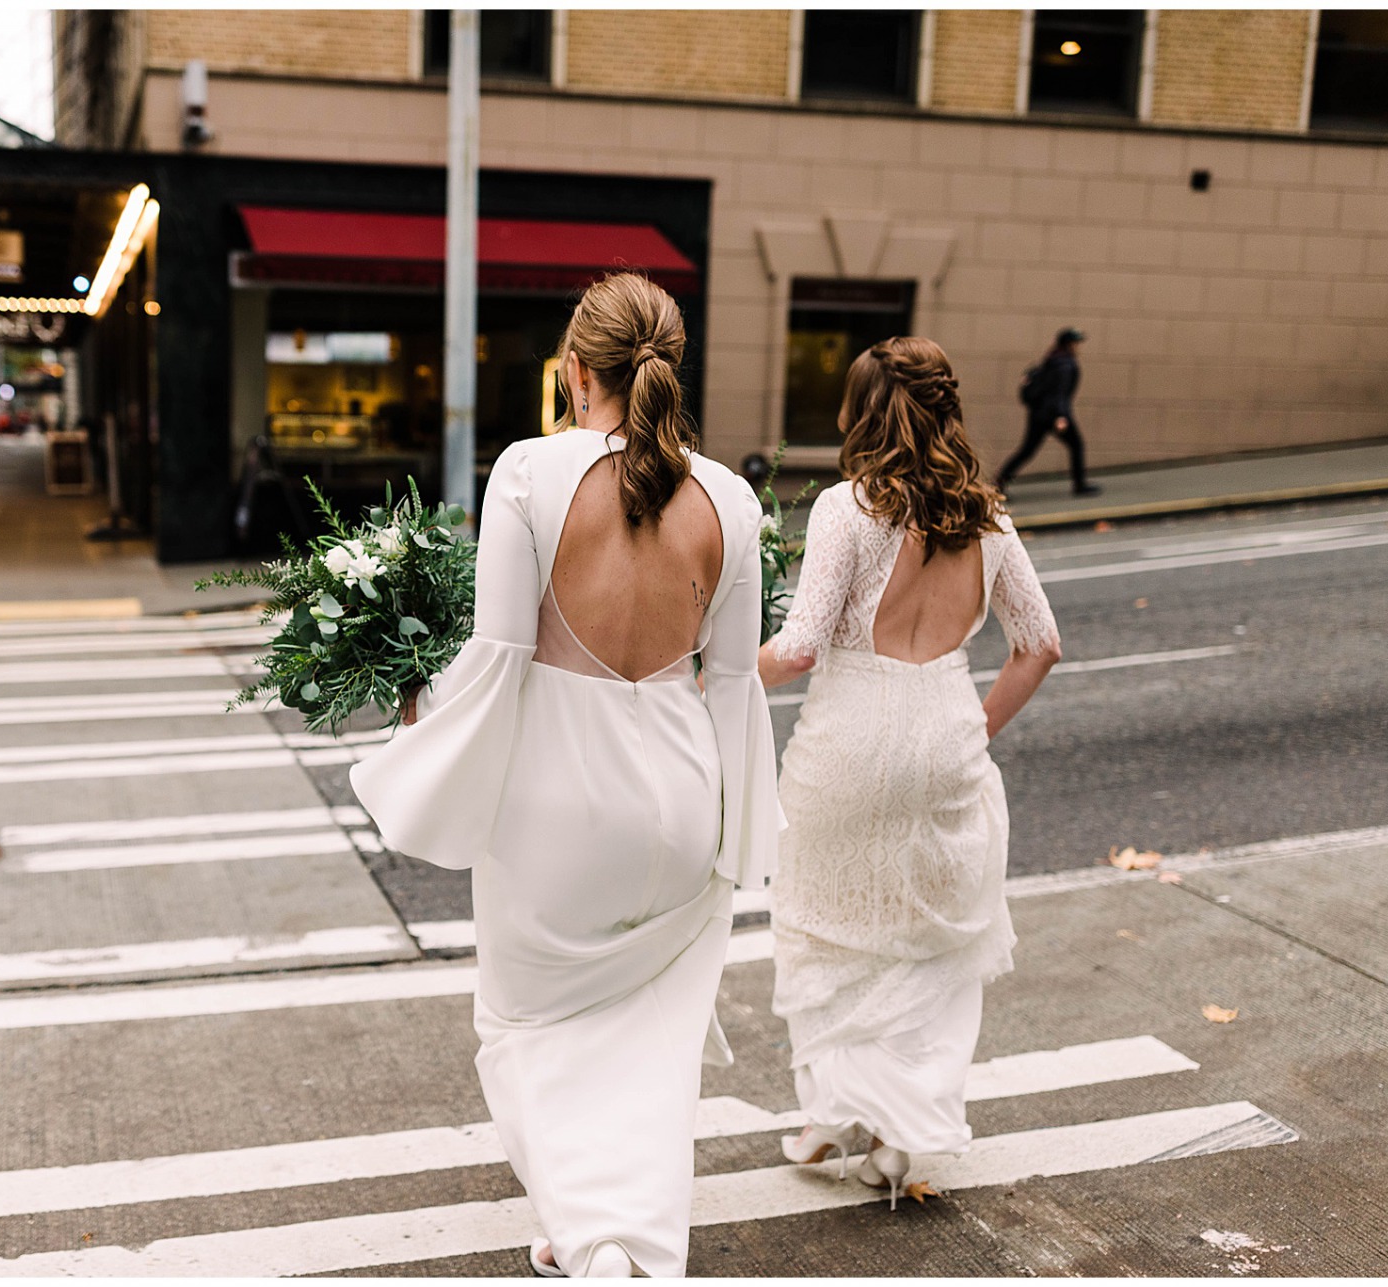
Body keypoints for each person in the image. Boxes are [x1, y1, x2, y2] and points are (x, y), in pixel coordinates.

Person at [352, 273, 780, 1277]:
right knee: (651, 1042)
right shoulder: (734, 498)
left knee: (526, 1026)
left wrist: (417, 715)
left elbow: (497, 656)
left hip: (557, 807)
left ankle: (601, 1244)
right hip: (681, 797)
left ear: (574, 371)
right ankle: (615, 1235)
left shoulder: (529, 474)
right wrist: (740, 832)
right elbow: (734, 688)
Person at [758, 337, 1060, 1209]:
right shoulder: (988, 518)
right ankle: (894, 1137)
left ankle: (827, 1113)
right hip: (943, 734)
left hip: (849, 743)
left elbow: (805, 643)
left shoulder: (844, 511)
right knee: (927, 940)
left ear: (860, 414)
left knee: (827, 925)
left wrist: (721, 668)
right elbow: (1040, 645)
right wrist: (975, 724)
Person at [997, 326, 1099, 496]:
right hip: (1052, 414)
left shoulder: (1052, 359)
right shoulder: (1066, 364)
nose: (1078, 346)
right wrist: (1061, 416)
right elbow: (1060, 393)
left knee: (1027, 450)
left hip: (1038, 414)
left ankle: (999, 483)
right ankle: (1080, 485)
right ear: (1069, 344)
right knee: (1076, 445)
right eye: (1076, 343)